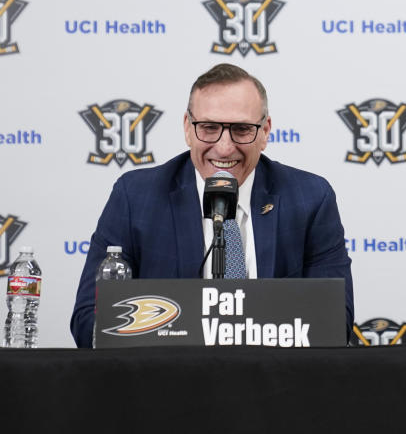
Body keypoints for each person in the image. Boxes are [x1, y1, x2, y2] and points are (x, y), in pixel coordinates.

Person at [70, 63, 353, 347]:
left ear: (265, 131)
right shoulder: (136, 197)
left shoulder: (310, 198)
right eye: (209, 128)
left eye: (242, 129)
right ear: (188, 128)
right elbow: (89, 321)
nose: (224, 147)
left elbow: (334, 322)